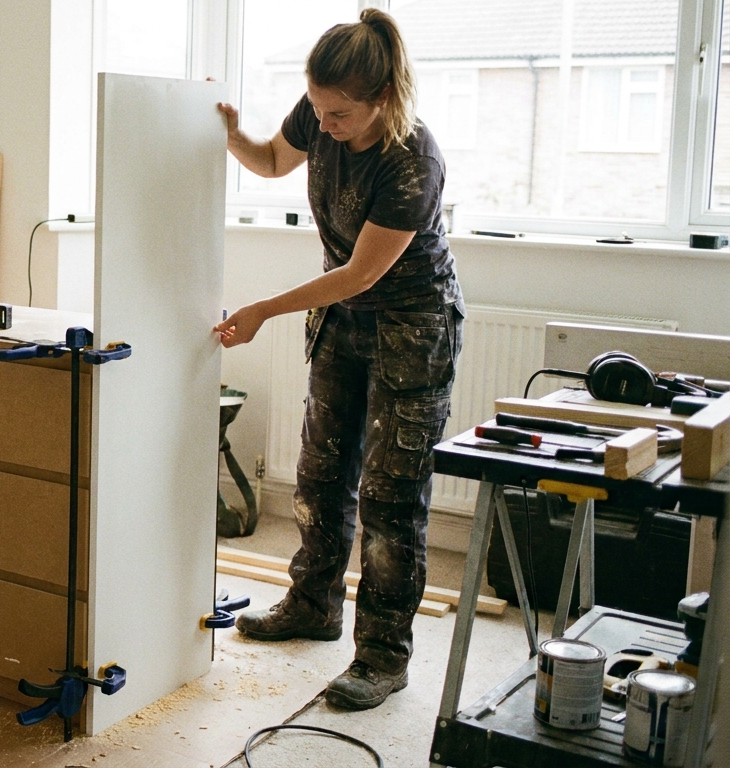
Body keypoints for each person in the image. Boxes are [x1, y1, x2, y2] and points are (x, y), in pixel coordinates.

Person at [213, 8, 463, 711]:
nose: (323, 126)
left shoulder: (413, 160)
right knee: (320, 474)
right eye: (317, 110)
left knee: (389, 497)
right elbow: (271, 160)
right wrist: (232, 135)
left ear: (381, 99)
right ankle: (312, 604)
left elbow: (360, 272)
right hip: (343, 322)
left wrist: (263, 309)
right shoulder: (322, 111)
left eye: (339, 115)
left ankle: (382, 656)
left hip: (411, 326)